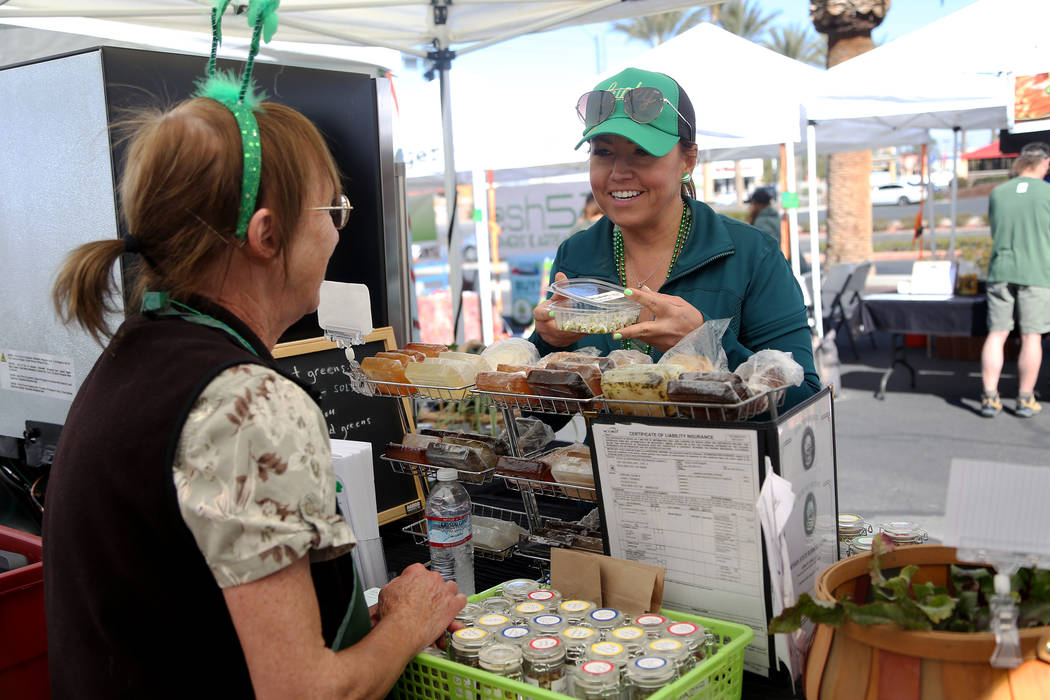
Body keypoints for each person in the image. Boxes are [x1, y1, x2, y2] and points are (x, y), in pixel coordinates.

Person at [45, 67, 463, 700]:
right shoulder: (247, 402)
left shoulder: (133, 355)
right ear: (267, 235)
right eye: (332, 210)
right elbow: (307, 693)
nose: (337, 232)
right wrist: (407, 623)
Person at [531, 67, 819, 410]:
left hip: (719, 463)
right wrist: (548, 342)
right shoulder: (576, 254)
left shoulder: (752, 254)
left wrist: (708, 344)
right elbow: (549, 415)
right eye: (603, 152)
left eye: (642, 152)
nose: (619, 173)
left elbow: (804, 400)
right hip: (609, 462)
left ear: (688, 161)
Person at [979, 141, 1050, 418]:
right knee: (1031, 337)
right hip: (1036, 272)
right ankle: (1024, 398)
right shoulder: (1046, 192)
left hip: (1001, 270)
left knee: (996, 334)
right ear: (1043, 163)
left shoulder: (998, 193)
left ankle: (989, 397)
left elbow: (995, 229)